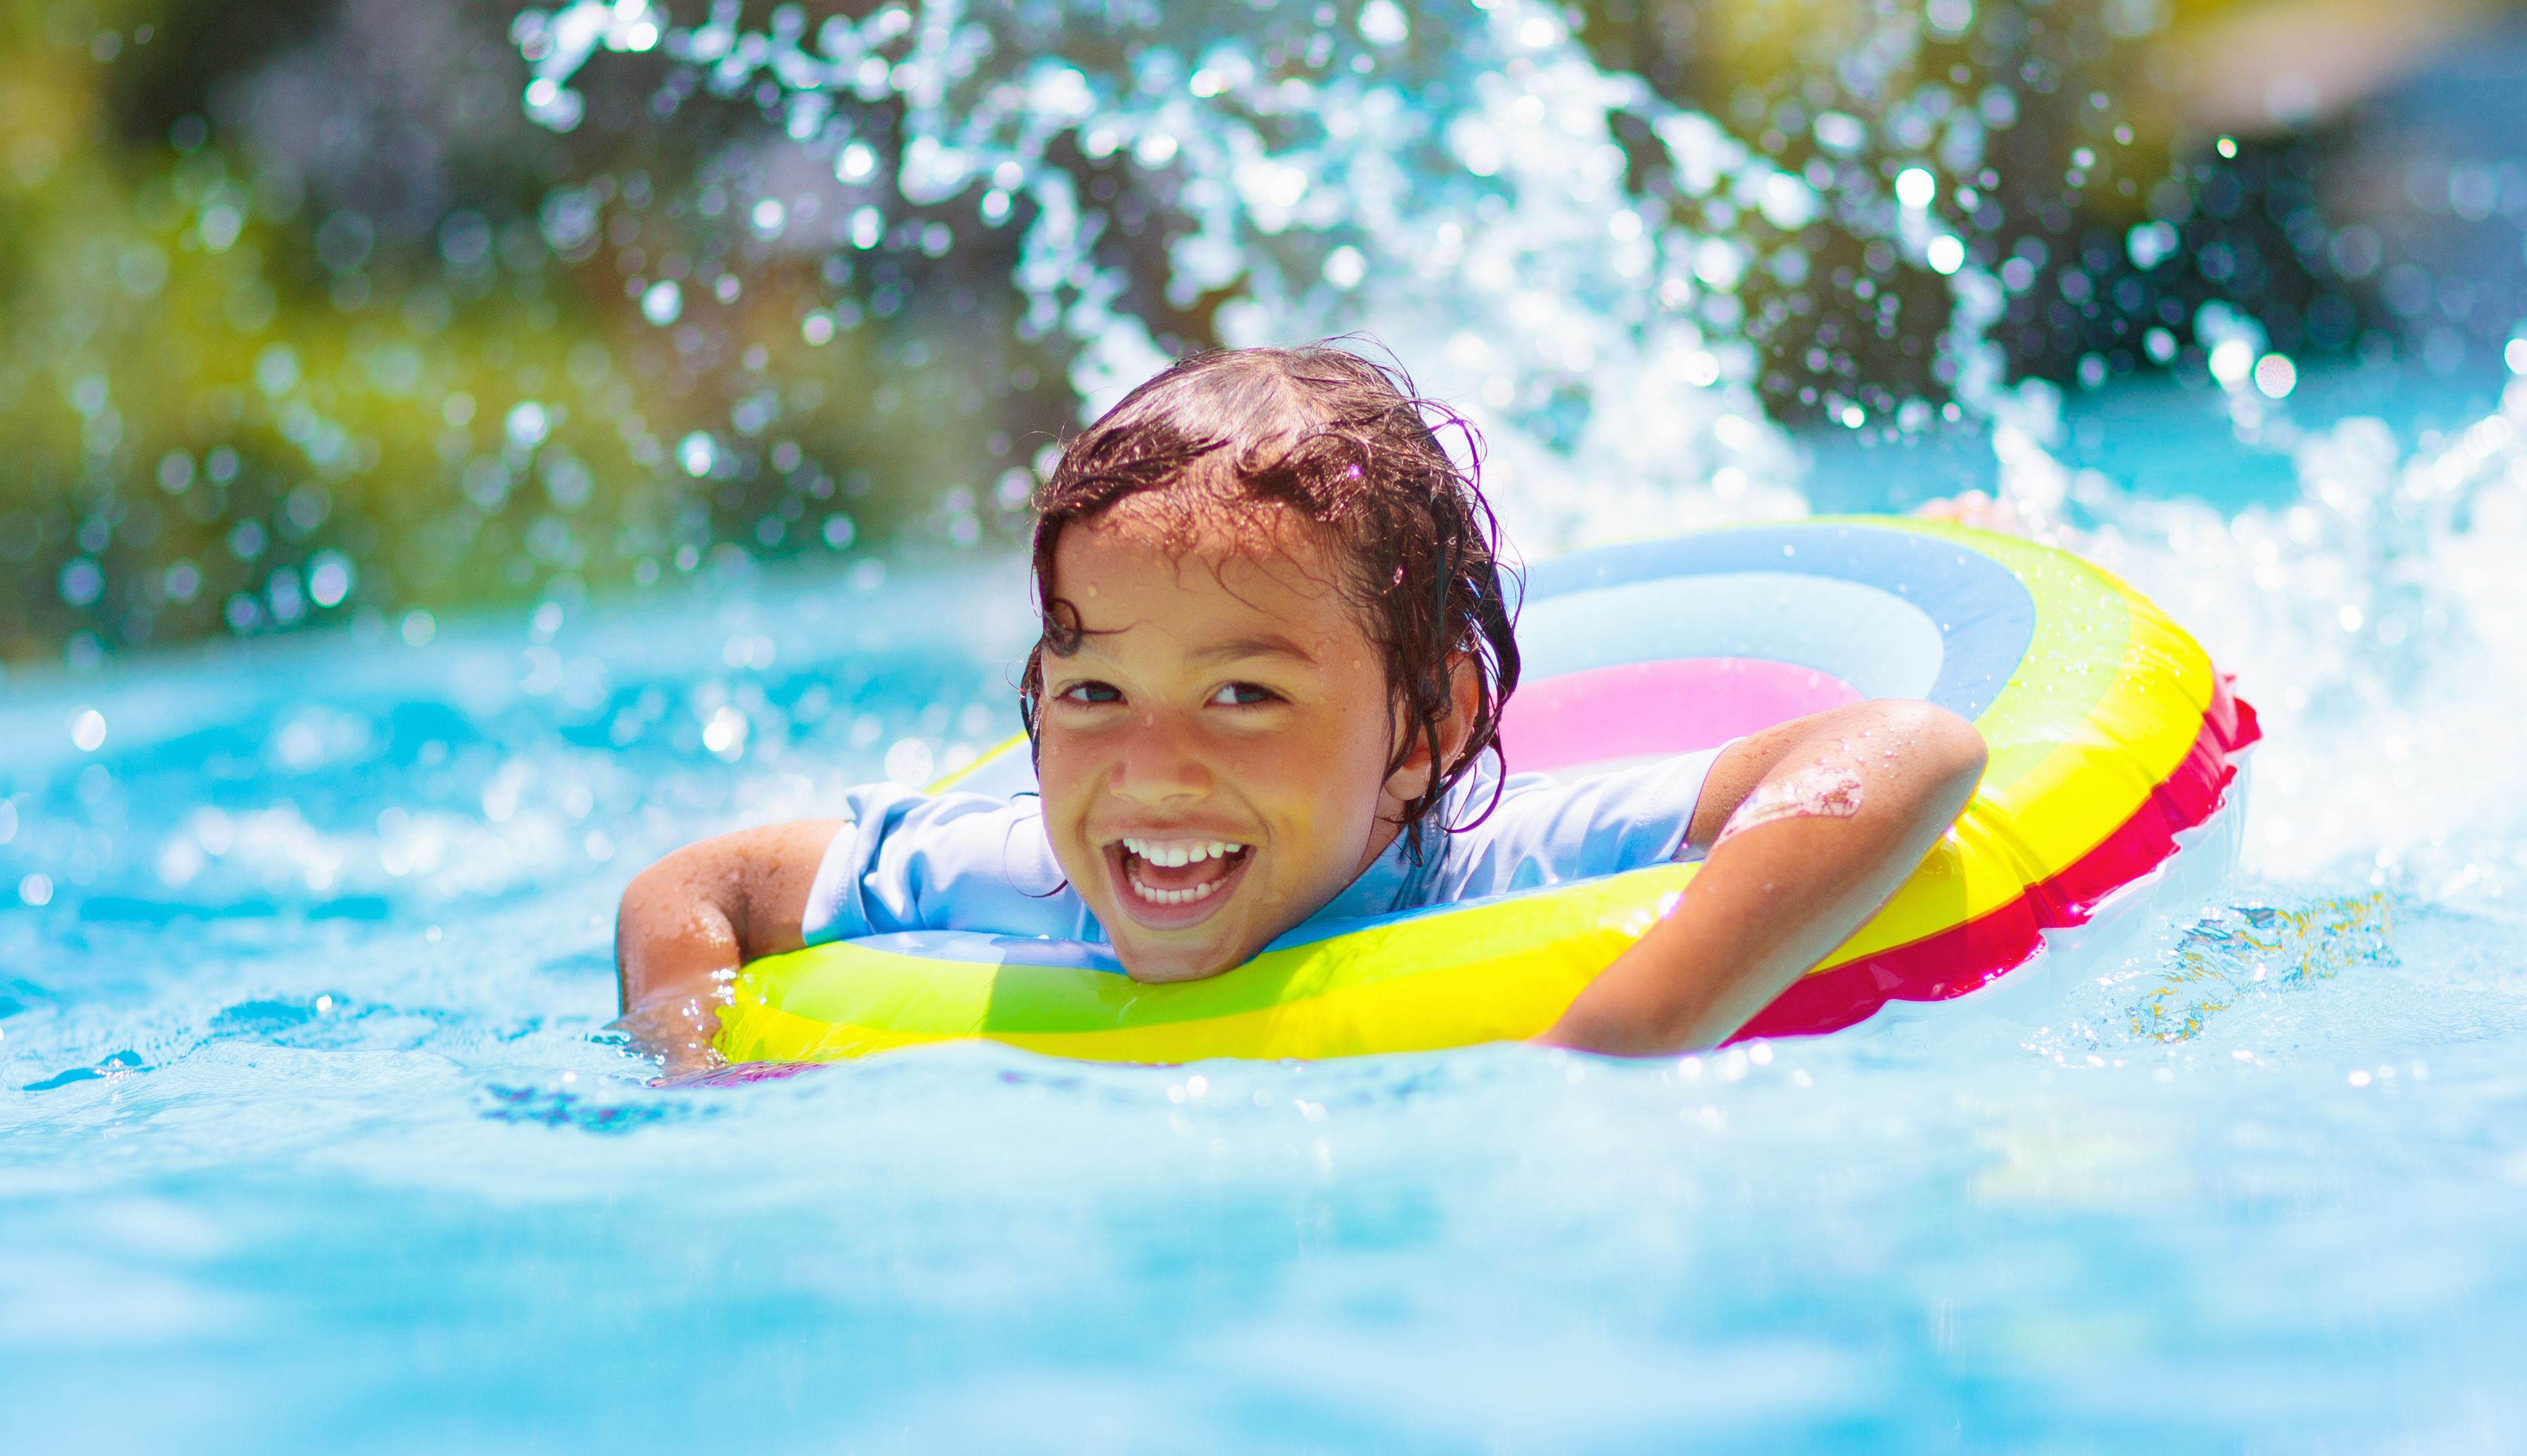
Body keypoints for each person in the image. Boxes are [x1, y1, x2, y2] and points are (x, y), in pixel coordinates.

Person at [614, 345, 1986, 1066]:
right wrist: (700, 1078)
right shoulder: (1021, 875)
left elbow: (1913, 746)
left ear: (1430, 730)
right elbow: (698, 886)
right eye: (1093, 688)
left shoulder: (1501, 864)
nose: (1152, 770)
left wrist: (1625, 1032)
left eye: (1240, 693)